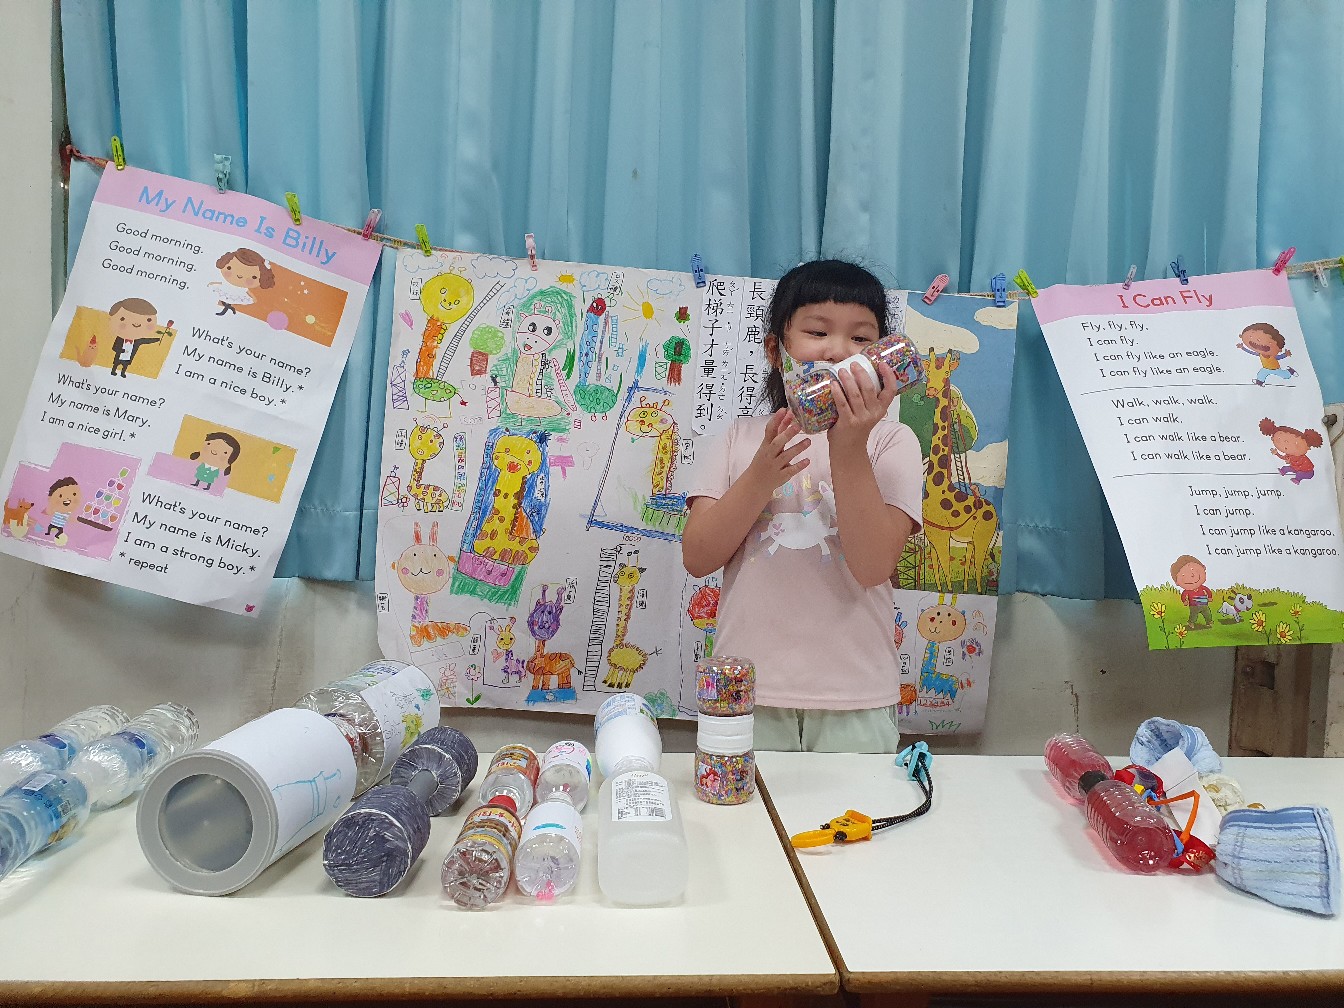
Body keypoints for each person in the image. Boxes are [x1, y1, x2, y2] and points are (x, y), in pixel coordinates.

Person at [682, 259, 922, 753]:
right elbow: (698, 557)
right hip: (745, 692)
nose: (839, 350)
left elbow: (873, 566)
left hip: (856, 694)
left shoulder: (892, 442)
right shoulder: (737, 438)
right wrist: (759, 475)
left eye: (861, 338)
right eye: (818, 331)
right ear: (777, 349)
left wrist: (849, 447)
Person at [210, 248, 275, 315]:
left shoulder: (242, 289)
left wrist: (253, 298)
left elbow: (248, 292)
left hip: (236, 295)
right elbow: (221, 284)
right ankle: (224, 307)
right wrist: (213, 283)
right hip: (225, 290)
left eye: (253, 277)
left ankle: (226, 308)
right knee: (222, 300)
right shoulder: (226, 285)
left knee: (229, 301)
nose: (239, 276)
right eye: (229, 268)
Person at [1171, 554, 1214, 629]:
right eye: (1183, 575)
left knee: (1207, 613)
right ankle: (1191, 622)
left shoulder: (1202, 587)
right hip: (1194, 605)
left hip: (1204, 604)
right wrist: (1184, 601)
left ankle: (1209, 621)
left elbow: (1208, 591)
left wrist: (1210, 597)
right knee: (1193, 615)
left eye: (1194, 570)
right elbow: (1183, 595)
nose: (1191, 576)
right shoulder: (1187, 591)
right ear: (1177, 582)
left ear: (1203, 568)